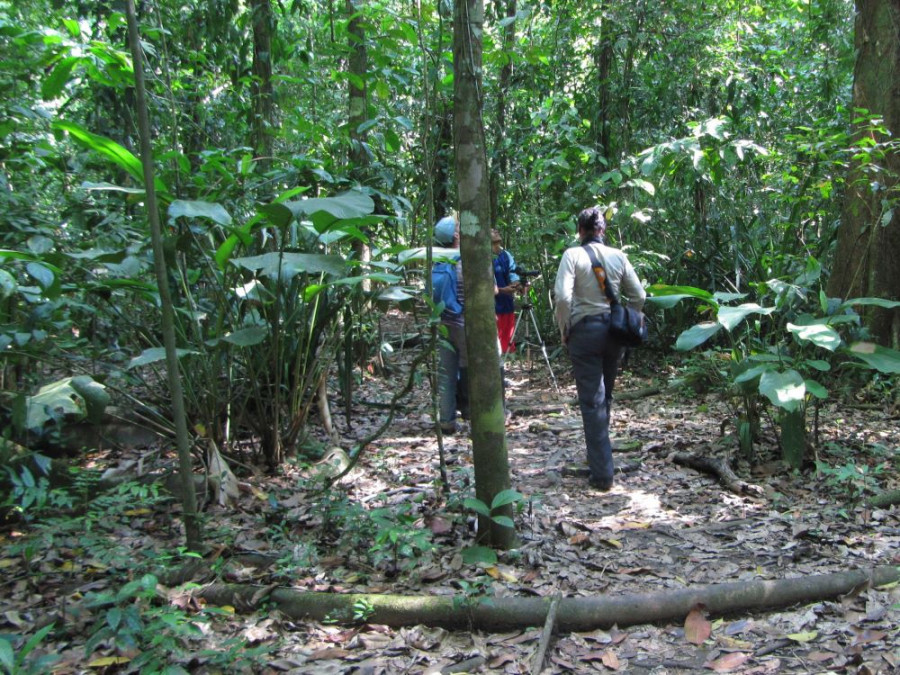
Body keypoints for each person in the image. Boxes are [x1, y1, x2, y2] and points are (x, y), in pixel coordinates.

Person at [553, 206, 646, 490]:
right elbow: (639, 295)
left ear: (580, 230)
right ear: (602, 231)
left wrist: (564, 328)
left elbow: (562, 297)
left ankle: (603, 473)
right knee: (604, 398)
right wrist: (629, 319)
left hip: (585, 332)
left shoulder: (572, 255)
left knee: (593, 401)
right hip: (614, 333)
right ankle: (600, 458)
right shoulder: (619, 256)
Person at [431, 214, 468, 434]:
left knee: (445, 373)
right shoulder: (465, 261)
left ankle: (446, 420)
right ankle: (473, 414)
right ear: (455, 236)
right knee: (469, 368)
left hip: (442, 323)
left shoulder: (436, 261)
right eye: (458, 228)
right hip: (464, 323)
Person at [491, 229, 521, 354]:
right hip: (492, 307)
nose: (496, 231)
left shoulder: (506, 255)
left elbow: (513, 274)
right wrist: (503, 290)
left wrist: (518, 285)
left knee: (507, 345)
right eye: (492, 231)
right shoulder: (483, 257)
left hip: (507, 305)